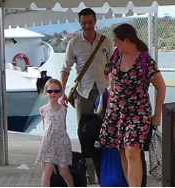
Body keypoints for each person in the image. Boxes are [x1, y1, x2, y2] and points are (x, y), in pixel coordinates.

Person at [98, 23, 166, 187]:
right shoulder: (117, 56)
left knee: (132, 151)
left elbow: (161, 87)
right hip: (116, 110)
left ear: (127, 40)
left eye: (117, 41)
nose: (115, 44)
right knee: (122, 150)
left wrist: (157, 115)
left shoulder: (146, 61)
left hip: (138, 111)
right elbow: (113, 81)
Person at [58, 8, 113, 182]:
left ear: (95, 21)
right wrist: (61, 92)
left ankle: (105, 169)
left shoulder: (106, 42)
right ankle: (90, 174)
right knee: (84, 133)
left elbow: (113, 66)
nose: (87, 26)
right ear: (80, 23)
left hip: (105, 92)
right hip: (83, 93)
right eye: (84, 23)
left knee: (106, 131)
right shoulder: (74, 43)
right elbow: (65, 69)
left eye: (90, 22)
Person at [37, 79, 75, 187]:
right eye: (50, 91)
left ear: (60, 93)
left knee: (64, 171)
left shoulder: (64, 109)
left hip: (61, 142)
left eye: (56, 91)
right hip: (49, 142)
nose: (53, 94)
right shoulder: (43, 109)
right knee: (47, 170)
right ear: (45, 92)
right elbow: (45, 127)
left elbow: (64, 126)